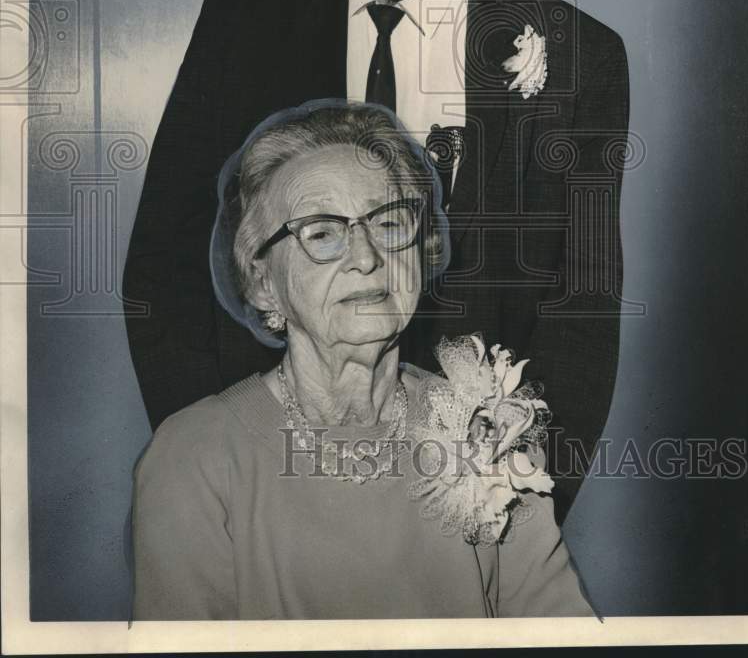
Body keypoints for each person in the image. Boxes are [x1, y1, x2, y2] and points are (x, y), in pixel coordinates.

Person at [123, 0, 630, 524]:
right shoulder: (238, 27)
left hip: (472, 517)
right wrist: (224, 477)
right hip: (266, 502)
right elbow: (162, 277)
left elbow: (583, 313)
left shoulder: (577, 57)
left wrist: (509, 511)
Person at [131, 101, 595, 620]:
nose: (367, 256)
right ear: (263, 284)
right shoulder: (194, 459)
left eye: (389, 222)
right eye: (322, 232)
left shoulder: (486, 428)